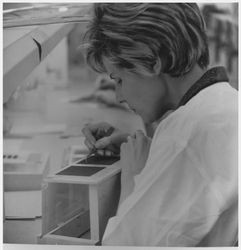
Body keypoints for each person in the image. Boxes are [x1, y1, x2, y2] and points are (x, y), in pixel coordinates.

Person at [82, 3, 238, 247]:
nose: (118, 96)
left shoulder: (184, 138)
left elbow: (124, 245)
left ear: (151, 61)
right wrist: (155, 153)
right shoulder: (222, 103)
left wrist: (135, 180)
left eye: (119, 79)